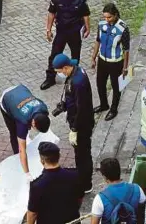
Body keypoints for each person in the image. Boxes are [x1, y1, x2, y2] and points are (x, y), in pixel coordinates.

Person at [52, 53, 94, 193]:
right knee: (80, 153)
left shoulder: (78, 81)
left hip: (82, 124)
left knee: (82, 155)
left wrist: (75, 129)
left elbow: (82, 108)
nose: (60, 75)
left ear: (65, 68)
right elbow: (71, 96)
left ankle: (85, 184)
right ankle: (82, 177)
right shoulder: (75, 71)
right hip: (77, 119)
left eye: (59, 72)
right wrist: (63, 105)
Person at [40, 0, 91, 90]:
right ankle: (50, 78)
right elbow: (51, 14)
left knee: (75, 56)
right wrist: (48, 30)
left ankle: (73, 79)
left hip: (75, 32)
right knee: (54, 55)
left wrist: (88, 28)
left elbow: (86, 14)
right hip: (61, 32)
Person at [0, 84, 50, 180]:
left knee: (21, 133)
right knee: (14, 133)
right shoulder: (22, 121)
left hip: (20, 90)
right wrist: (27, 173)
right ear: (33, 123)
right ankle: (16, 156)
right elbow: (22, 149)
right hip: (6, 98)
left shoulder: (43, 108)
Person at [27, 142, 83, 224]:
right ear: (59, 156)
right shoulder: (74, 175)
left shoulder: (37, 185)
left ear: (42, 160)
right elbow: (79, 198)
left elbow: (32, 213)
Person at [91, 3, 130, 121]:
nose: (107, 20)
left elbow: (126, 49)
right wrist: (93, 57)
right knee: (100, 84)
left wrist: (125, 67)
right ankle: (104, 104)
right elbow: (98, 41)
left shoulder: (123, 28)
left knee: (116, 86)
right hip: (102, 60)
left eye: (109, 17)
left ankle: (113, 109)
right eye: (105, 17)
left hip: (116, 62)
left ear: (115, 15)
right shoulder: (101, 24)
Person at [91, 158, 146, 224]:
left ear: (105, 177)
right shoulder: (137, 189)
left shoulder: (100, 198)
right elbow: (145, 212)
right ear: (119, 172)